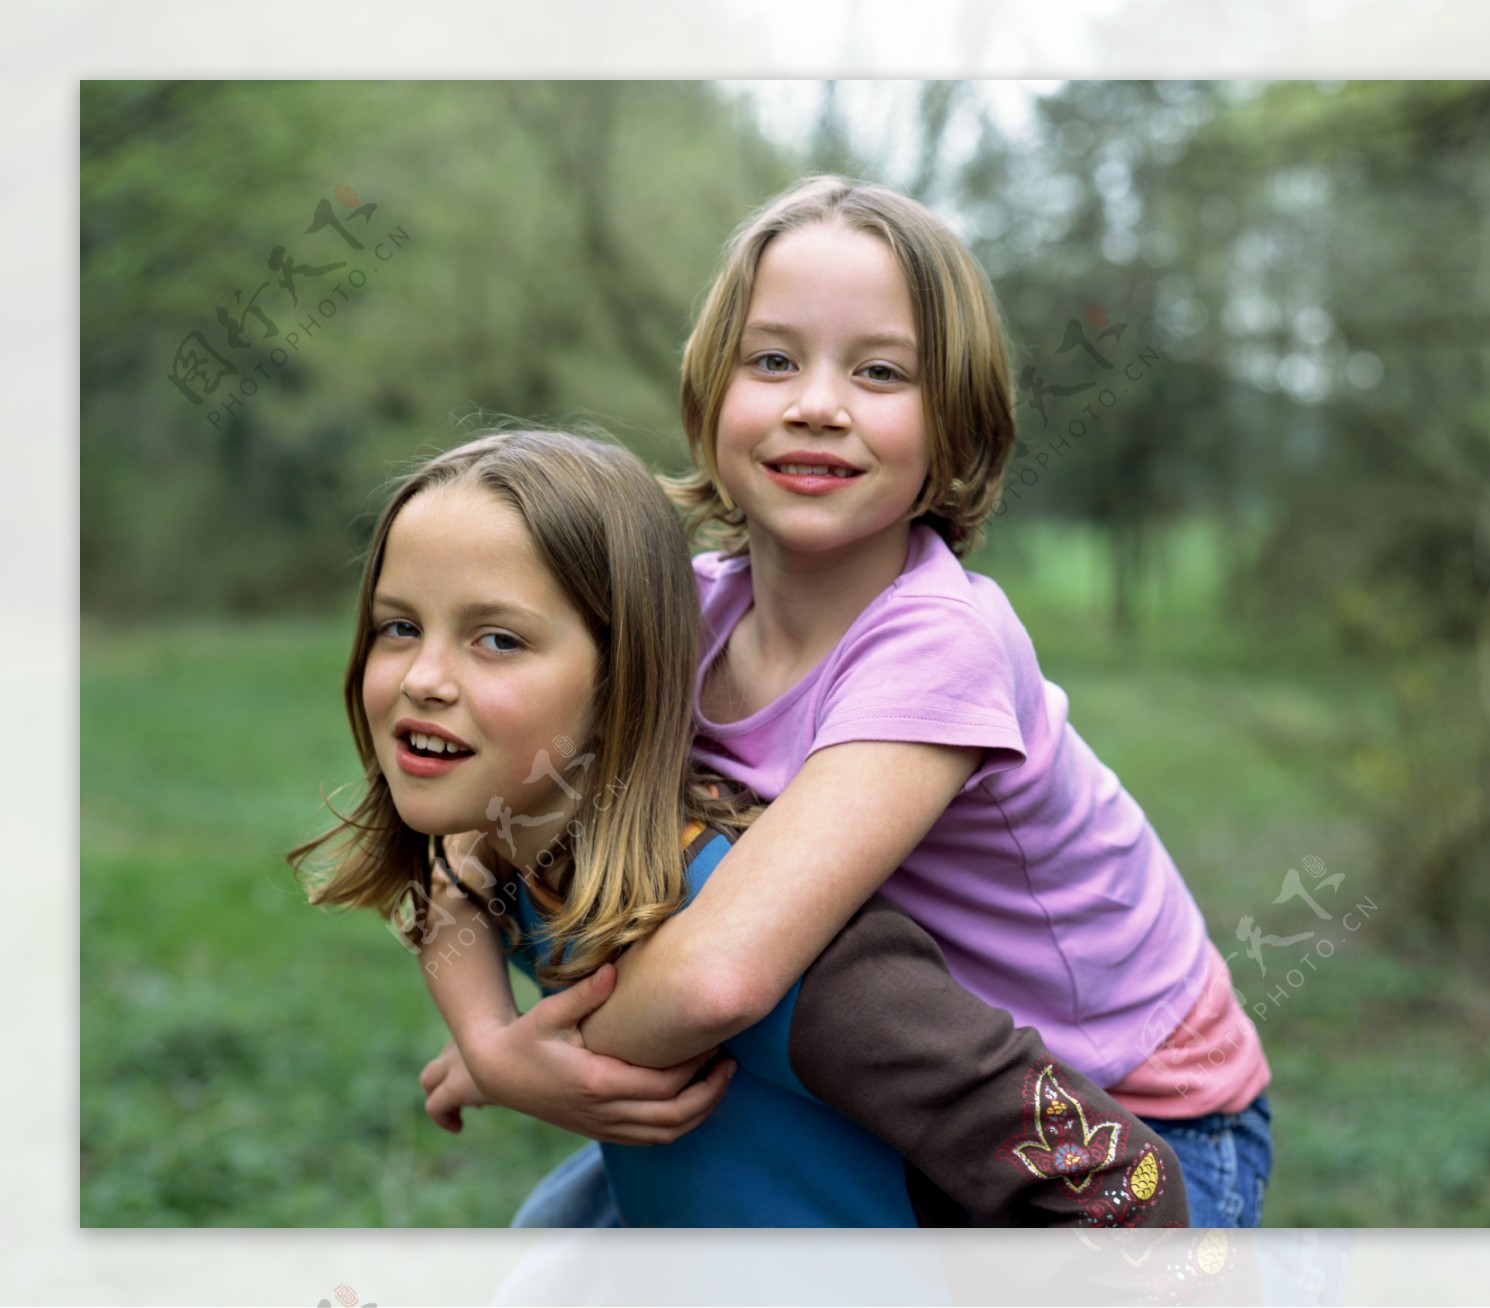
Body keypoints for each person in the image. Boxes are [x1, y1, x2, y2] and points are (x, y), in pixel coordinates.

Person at [529, 176, 1275, 1227]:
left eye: (879, 371)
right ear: (709, 395)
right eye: (773, 359)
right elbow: (476, 810)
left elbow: (718, 981)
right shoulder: (679, 617)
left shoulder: (940, 642)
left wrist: (535, 1067)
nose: (817, 403)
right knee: (555, 1249)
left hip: (1124, 1123)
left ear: (953, 428)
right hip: (898, 1088)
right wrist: (477, 1027)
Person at [292, 427, 1189, 1227]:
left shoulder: (798, 964)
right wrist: (494, 1048)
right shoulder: (506, 834)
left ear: (626, 676)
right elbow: (447, 884)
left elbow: (1119, 1181)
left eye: (498, 641)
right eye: (398, 627)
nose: (423, 679)